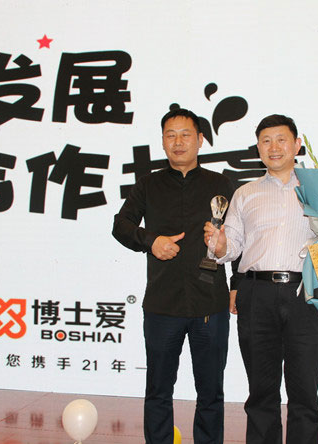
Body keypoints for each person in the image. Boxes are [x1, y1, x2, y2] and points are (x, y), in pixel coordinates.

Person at [204, 114, 318, 444]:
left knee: (304, 391)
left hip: (305, 293)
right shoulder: (245, 193)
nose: (273, 147)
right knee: (261, 391)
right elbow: (232, 247)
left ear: (297, 145)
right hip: (255, 294)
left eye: (281, 140)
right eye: (266, 141)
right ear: (258, 148)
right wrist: (218, 246)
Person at [113, 108, 235, 444]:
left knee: (211, 392)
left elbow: (239, 238)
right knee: (158, 391)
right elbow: (121, 225)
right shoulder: (148, 184)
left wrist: (237, 285)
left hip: (210, 304)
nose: (178, 142)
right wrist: (151, 241)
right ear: (163, 142)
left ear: (200, 139)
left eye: (185, 135)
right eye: (171, 135)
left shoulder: (221, 185)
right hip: (162, 304)